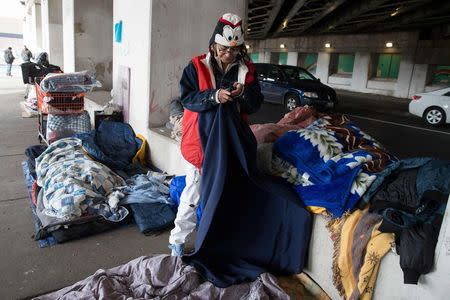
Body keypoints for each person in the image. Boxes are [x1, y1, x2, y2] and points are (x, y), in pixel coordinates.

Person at [168, 13, 263, 256]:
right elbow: (188, 98)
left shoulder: (246, 70)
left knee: (228, 190)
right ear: (213, 45)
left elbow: (255, 104)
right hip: (201, 139)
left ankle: (219, 238)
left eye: (234, 50)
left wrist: (243, 93)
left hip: (231, 140)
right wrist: (213, 96)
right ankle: (178, 240)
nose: (228, 55)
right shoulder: (196, 66)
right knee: (194, 189)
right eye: (223, 49)